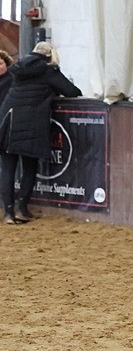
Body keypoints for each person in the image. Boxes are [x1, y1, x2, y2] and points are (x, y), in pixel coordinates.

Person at [0, 42, 82, 224]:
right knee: (29, 167)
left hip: (7, 119)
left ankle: (8, 213)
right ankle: (21, 209)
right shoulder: (48, 70)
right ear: (49, 55)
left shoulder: (17, 69)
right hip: (31, 122)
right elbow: (72, 91)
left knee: (7, 168)